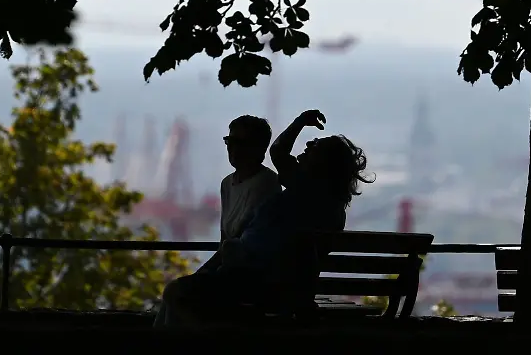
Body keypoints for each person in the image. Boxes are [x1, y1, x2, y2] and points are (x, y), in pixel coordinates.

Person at [154, 109, 374, 328]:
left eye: (316, 145)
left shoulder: (305, 189)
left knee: (176, 293)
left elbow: (278, 151)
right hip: (265, 283)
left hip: (256, 285)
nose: (309, 144)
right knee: (176, 298)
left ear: (325, 163)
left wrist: (300, 122)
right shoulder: (324, 200)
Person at [153, 114, 280, 328]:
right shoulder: (227, 184)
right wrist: (204, 271)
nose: (233, 148)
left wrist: (204, 272)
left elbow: (239, 238)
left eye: (240, 142)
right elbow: (226, 240)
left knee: (174, 293)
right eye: (230, 141)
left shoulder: (266, 183)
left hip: (253, 276)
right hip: (231, 270)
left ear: (259, 148)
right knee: (172, 299)